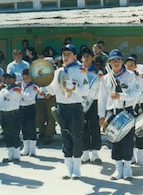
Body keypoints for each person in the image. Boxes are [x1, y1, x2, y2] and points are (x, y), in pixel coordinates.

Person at [47, 44, 89, 180]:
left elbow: (85, 92)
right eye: (64, 54)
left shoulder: (81, 70)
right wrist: (45, 81)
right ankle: (68, 167)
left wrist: (74, 87)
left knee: (76, 135)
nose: (65, 57)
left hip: (75, 106)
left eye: (68, 54)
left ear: (75, 56)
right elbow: (52, 91)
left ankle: (76, 168)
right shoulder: (58, 71)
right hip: (62, 106)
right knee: (65, 136)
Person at [98, 49, 139, 180]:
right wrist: (101, 116)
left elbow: (135, 95)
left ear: (122, 61)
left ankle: (127, 168)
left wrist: (120, 96)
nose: (116, 63)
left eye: (118, 60)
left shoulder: (130, 76)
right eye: (113, 61)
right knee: (115, 141)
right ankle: (118, 169)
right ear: (109, 62)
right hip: (112, 112)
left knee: (127, 141)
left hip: (127, 111)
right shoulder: (106, 78)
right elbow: (102, 98)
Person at [80, 48, 104, 164]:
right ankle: (84, 153)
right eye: (84, 56)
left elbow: (102, 89)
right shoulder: (78, 71)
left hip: (94, 102)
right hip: (81, 102)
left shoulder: (98, 73)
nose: (86, 59)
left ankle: (95, 153)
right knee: (83, 127)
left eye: (88, 56)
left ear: (93, 58)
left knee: (95, 127)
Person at [125, 56, 143, 165]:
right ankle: (130, 156)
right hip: (127, 107)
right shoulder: (123, 78)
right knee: (128, 132)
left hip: (139, 106)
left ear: (135, 66)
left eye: (132, 64)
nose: (129, 66)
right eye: (127, 65)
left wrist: (138, 97)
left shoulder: (139, 78)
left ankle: (141, 156)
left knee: (140, 131)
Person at [0, 72, 22, 163]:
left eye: (9, 78)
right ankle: (9, 155)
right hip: (4, 114)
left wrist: (3, 88)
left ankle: (16, 155)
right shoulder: (3, 89)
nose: (7, 80)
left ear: (14, 79)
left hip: (13, 113)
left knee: (14, 133)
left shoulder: (17, 88)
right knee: (7, 134)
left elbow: (10, 97)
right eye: (6, 78)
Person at [19, 69, 38, 156]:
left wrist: (20, 91)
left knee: (31, 127)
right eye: (24, 78)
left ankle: (33, 149)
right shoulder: (21, 85)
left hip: (30, 108)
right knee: (24, 128)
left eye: (27, 78)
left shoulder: (34, 86)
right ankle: (26, 148)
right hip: (21, 108)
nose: (25, 80)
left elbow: (29, 97)